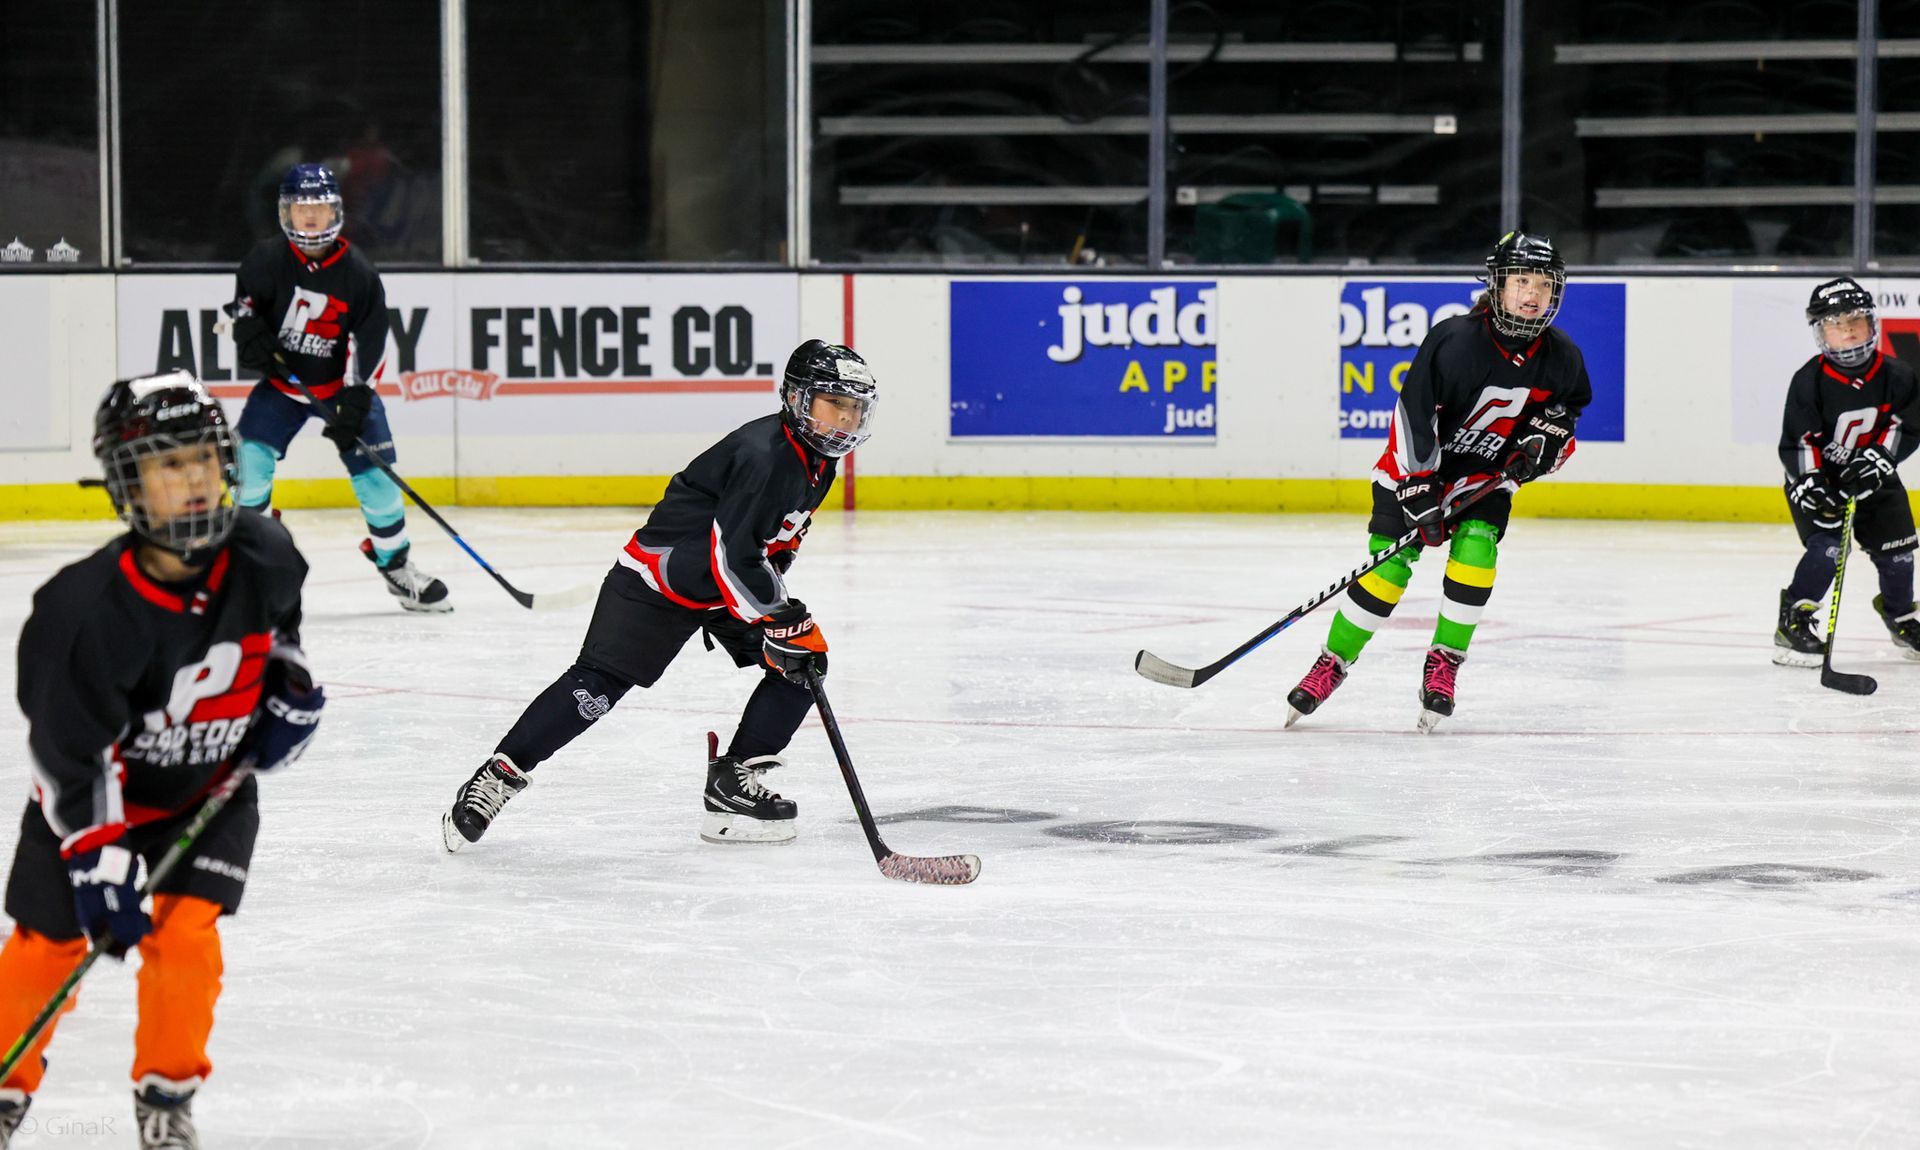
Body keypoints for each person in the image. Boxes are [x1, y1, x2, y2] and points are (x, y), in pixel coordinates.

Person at [0, 372, 323, 1150]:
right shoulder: (80, 611)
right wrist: (96, 852)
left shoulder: (268, 555)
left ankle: (167, 1095)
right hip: (93, 803)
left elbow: (277, 647)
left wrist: (290, 697)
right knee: (47, 950)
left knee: (184, 940)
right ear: (127, 483)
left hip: (206, 794)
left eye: (203, 461)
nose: (191, 482)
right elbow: (66, 754)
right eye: (165, 466)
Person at [439, 340, 877, 852]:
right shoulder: (766, 456)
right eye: (834, 405)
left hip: (721, 588)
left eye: (853, 409)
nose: (844, 421)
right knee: (595, 689)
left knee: (802, 663)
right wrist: (780, 614)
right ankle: (497, 775)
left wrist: (780, 616)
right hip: (658, 582)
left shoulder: (818, 457)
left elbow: (770, 541)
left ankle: (732, 785)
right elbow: (732, 555)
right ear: (796, 398)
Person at [1286, 232, 1593, 732]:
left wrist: (1540, 451)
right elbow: (1413, 414)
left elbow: (1565, 419)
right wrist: (1420, 485)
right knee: (1389, 568)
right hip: (1412, 471)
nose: (1533, 294)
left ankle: (1445, 664)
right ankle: (1332, 663)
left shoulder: (1562, 357)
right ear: (1497, 284)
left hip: (1484, 478)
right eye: (1521, 280)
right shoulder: (1455, 339)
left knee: (1477, 549)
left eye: (1542, 283)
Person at [224, 161, 450, 612]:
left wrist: (355, 398)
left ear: (337, 213)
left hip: (340, 389)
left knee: (378, 482)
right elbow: (245, 313)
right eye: (301, 209)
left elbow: (371, 341)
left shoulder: (358, 273)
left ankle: (395, 565)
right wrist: (250, 336)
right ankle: (254, 566)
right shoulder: (264, 260)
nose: (310, 218)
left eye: (321, 209)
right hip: (284, 388)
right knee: (248, 471)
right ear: (285, 213)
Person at [1774, 277, 1920, 666]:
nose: (1848, 334)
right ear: (1822, 334)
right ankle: (1795, 621)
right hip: (1821, 481)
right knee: (1828, 550)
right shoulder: (1809, 381)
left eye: (1855, 323)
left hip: (1876, 478)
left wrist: (1875, 462)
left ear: (1872, 325)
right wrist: (1814, 485)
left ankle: (1901, 617)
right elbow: (1799, 441)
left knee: (1899, 553)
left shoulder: (1899, 375)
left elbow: (1905, 426)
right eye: (1836, 327)